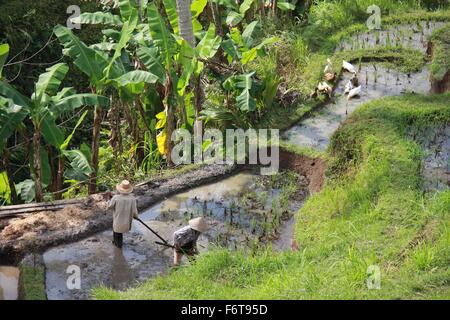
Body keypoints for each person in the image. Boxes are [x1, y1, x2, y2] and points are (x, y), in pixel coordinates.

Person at [107, 180, 138, 248]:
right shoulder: (132, 198)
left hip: (118, 218)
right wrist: (136, 216)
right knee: (120, 231)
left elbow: (110, 207)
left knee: (116, 230)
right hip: (126, 219)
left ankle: (118, 244)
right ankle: (117, 243)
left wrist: (109, 200)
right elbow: (134, 210)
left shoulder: (116, 198)